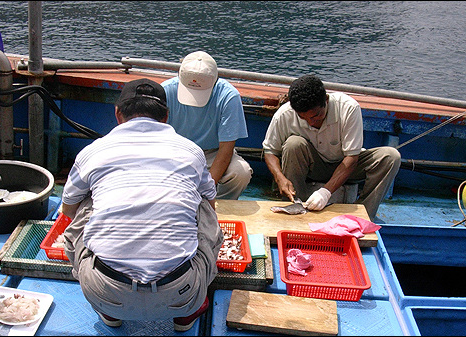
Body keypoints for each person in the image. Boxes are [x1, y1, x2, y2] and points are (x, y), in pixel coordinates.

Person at [61, 78, 223, 331]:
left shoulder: (92, 152)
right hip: (183, 293)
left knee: (86, 197)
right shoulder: (191, 151)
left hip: (103, 291)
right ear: (166, 116)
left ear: (117, 114)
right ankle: (186, 316)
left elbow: (68, 211)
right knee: (202, 198)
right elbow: (210, 203)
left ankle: (109, 312)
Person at [262, 74, 401, 220]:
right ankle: (296, 208)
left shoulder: (348, 108)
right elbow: (270, 151)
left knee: (391, 157)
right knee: (293, 144)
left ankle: (363, 217)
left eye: (316, 116)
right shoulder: (284, 114)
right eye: (303, 118)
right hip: (313, 166)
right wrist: (280, 178)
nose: (311, 122)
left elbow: (351, 159)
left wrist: (325, 192)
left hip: (346, 166)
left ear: (326, 100)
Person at [161, 51, 253, 200]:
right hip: (175, 151)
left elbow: (226, 150)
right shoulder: (165, 91)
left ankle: (220, 205)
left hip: (212, 153)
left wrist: (205, 191)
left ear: (215, 81)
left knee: (240, 173)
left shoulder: (229, 96)